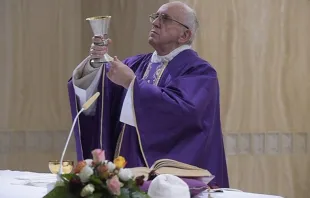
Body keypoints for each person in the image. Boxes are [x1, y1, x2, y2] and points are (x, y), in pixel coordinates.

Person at [67, 1, 229, 187]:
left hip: (172, 180)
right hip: (127, 168)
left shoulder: (200, 72)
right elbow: (101, 100)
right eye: (156, 16)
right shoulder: (135, 64)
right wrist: (95, 64)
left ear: (185, 35)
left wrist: (132, 84)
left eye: (165, 18)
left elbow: (183, 113)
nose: (155, 22)